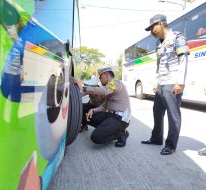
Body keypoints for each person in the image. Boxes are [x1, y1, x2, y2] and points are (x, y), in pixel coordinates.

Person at [141, 14, 190, 155]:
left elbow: (183, 60)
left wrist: (180, 82)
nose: (151, 31)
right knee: (157, 111)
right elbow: (159, 65)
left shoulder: (177, 37)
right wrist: (157, 81)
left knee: (173, 115)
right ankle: (156, 138)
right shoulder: (159, 43)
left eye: (152, 27)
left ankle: (171, 144)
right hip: (161, 83)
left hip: (172, 82)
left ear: (162, 24)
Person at [75, 67, 131, 147]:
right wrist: (93, 110)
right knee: (87, 117)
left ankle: (122, 133)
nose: (100, 80)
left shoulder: (114, 83)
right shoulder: (110, 88)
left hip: (121, 119)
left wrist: (83, 88)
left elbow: (104, 91)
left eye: (100, 77)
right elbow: (104, 107)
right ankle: (107, 129)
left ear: (106, 75)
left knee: (96, 137)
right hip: (112, 116)